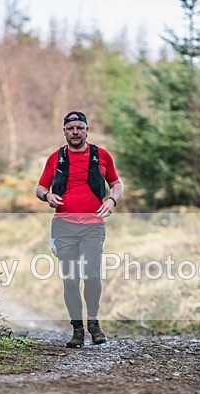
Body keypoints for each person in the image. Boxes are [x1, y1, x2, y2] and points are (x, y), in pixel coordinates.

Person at [35, 110, 124, 348]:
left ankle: (93, 323)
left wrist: (111, 200)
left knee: (92, 275)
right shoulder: (56, 158)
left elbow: (116, 183)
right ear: (64, 131)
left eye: (80, 128)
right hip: (63, 227)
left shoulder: (101, 155)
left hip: (93, 227)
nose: (75, 132)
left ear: (87, 130)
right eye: (71, 128)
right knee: (70, 280)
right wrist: (47, 195)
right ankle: (77, 330)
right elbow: (40, 187)